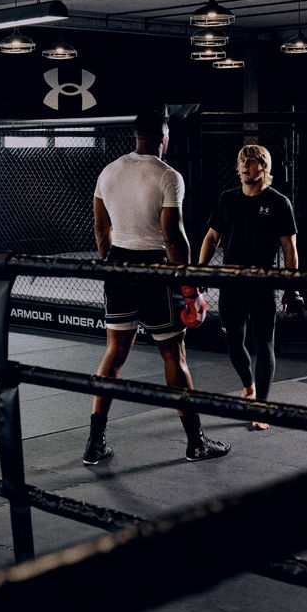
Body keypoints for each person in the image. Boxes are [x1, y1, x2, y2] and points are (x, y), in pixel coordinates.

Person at [83, 109, 230, 465]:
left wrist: (114, 265)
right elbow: (173, 237)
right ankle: (196, 443)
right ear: (164, 137)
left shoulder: (109, 171)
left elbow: (101, 230)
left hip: (118, 265)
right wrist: (191, 290)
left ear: (136, 136)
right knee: (173, 355)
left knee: (113, 355)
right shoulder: (169, 176)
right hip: (154, 270)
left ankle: (94, 444)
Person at [197, 144, 301, 430]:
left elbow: (289, 249)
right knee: (233, 343)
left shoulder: (279, 203)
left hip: (263, 286)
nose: (245, 166)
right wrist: (200, 271)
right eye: (242, 161)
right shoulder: (227, 199)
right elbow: (211, 237)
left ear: (264, 168)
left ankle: (262, 405)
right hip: (231, 285)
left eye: (252, 162)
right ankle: (248, 385)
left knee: (264, 344)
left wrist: (292, 288)